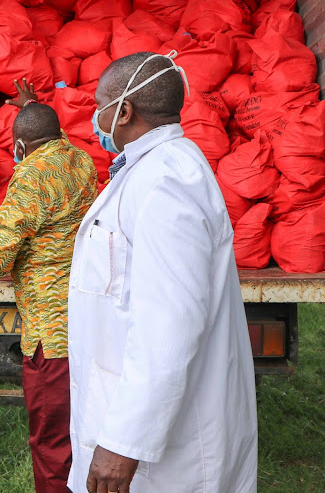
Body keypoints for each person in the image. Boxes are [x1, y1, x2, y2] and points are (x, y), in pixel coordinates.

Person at [67, 52, 258, 493]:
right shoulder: (148, 170)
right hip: (131, 415)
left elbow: (169, 324)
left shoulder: (167, 181)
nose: (95, 117)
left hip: (166, 453)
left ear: (124, 111)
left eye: (100, 106)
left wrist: (124, 442)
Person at [0, 82, 99, 493]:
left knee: (51, 443)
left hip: (51, 337)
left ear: (19, 146)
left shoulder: (29, 177)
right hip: (88, 322)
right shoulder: (81, 160)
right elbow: (52, 135)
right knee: (86, 430)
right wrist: (32, 108)